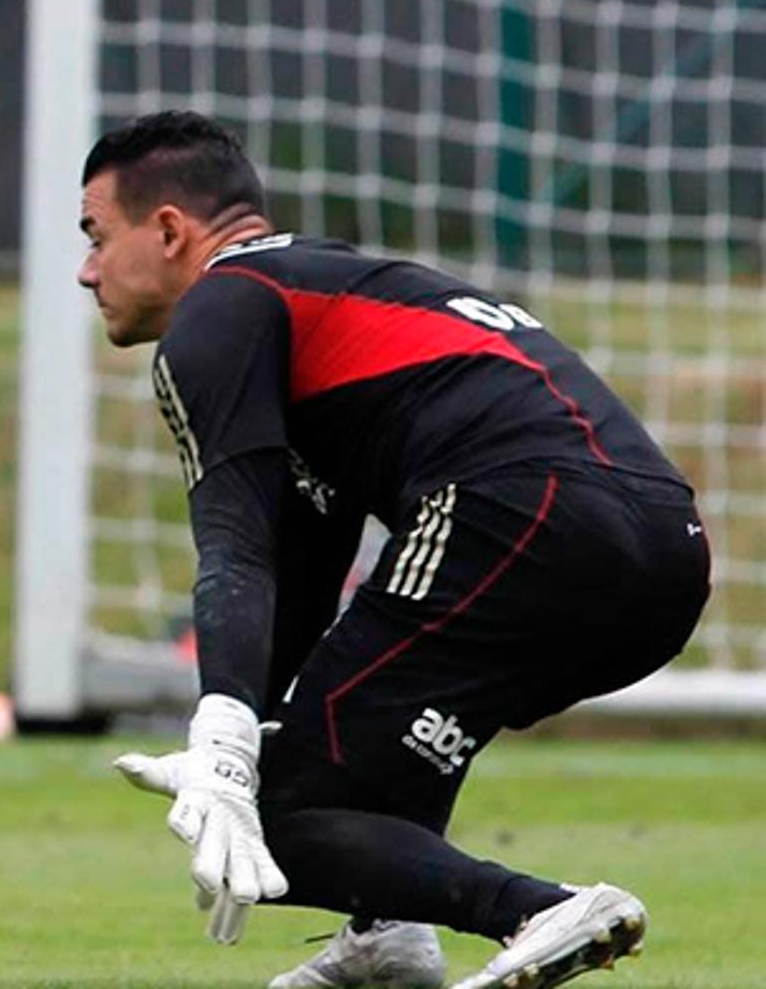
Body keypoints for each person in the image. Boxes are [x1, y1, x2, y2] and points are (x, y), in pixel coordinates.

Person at [81, 113, 709, 989]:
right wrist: (255, 723)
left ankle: (539, 910)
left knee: (283, 813)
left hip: (521, 512)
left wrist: (225, 739)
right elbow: (303, 564)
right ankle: (387, 936)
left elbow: (236, 541)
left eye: (95, 237)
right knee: (348, 747)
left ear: (171, 230)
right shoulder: (326, 291)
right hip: (664, 555)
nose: (86, 271)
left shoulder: (222, 307)